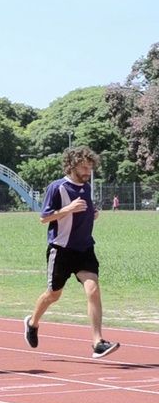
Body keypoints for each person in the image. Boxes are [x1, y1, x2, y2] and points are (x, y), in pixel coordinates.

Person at [23, 146, 120, 359]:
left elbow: (83, 211)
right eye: (84, 167)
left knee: (93, 290)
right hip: (61, 250)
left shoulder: (86, 187)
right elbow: (44, 218)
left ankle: (97, 342)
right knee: (53, 295)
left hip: (84, 249)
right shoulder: (57, 187)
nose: (88, 172)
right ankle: (32, 323)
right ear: (72, 165)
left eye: (90, 168)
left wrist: (92, 213)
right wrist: (69, 209)